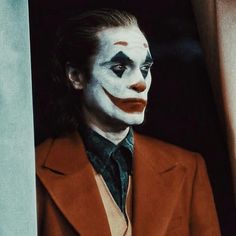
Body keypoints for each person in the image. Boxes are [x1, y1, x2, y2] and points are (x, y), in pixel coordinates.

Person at [36, 8, 221, 236]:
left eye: (145, 69)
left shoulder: (187, 167)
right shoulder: (32, 171)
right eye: (120, 68)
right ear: (76, 76)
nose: (140, 84)